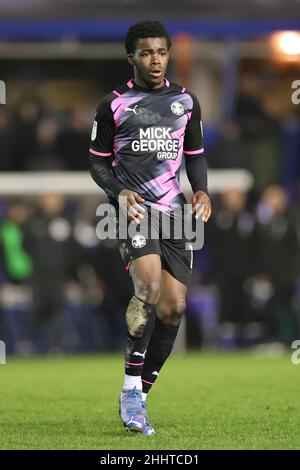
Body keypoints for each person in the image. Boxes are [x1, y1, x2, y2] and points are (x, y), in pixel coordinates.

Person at [89, 20, 211, 435]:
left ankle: (140, 394)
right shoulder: (114, 104)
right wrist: (119, 192)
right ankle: (128, 389)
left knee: (174, 306)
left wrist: (202, 191)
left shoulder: (186, 102)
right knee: (148, 287)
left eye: (161, 51)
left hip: (176, 213)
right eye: (146, 53)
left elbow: (194, 155)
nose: (155, 59)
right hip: (134, 210)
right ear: (132, 58)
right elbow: (97, 161)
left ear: (168, 54)